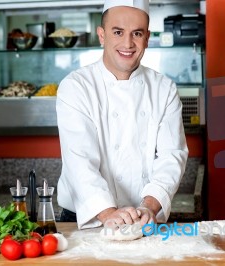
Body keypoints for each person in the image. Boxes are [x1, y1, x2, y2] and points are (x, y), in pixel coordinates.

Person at [56, 0, 189, 229]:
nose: (128, 43)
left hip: (144, 216)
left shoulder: (164, 88)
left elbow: (171, 156)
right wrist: (108, 213)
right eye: (118, 32)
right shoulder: (76, 87)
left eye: (136, 33)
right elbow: (79, 160)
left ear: (147, 38)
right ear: (102, 35)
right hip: (87, 217)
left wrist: (150, 205)